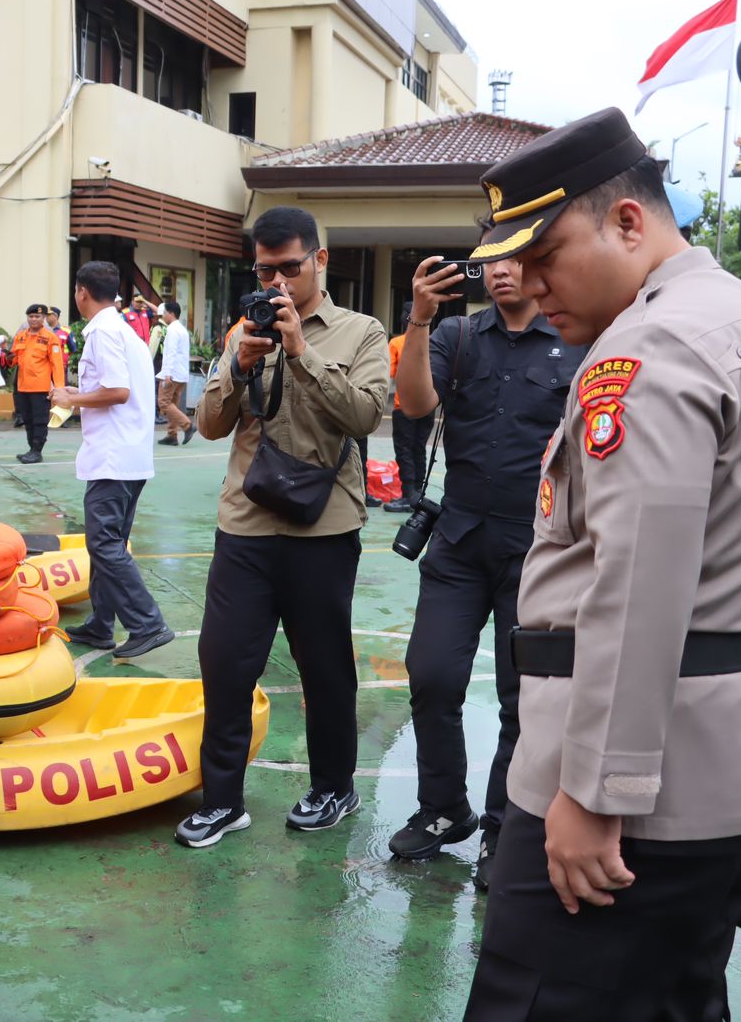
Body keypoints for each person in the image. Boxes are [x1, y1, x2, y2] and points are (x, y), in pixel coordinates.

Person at [460, 108, 741, 1020]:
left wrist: (594, 791)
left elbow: (638, 581)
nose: (532, 290)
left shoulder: (651, 346)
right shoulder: (726, 312)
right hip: (722, 759)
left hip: (638, 795)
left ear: (627, 222)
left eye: (549, 256)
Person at [178, 206, 386, 849]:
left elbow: (366, 416)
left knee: (324, 667)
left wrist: (301, 354)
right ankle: (223, 800)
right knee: (224, 661)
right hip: (245, 521)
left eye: (288, 268)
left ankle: (333, 786)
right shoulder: (247, 327)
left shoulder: (361, 332)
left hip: (322, 527)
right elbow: (210, 424)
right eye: (264, 270)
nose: (275, 283)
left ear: (319, 261)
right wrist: (240, 363)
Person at [386, 232, 585, 888]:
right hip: (460, 540)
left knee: (520, 699)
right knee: (432, 674)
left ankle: (503, 829)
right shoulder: (457, 337)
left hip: (538, 551)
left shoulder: (574, 341)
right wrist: (418, 319)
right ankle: (445, 809)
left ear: (537, 266)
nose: (501, 271)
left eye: (515, 259)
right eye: (491, 260)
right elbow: (415, 405)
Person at [51, 262, 173, 659]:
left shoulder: (103, 332)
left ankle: (147, 623)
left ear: (81, 291)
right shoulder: (124, 331)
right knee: (110, 541)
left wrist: (71, 398)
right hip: (130, 454)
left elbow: (117, 391)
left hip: (113, 456)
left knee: (103, 543)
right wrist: (80, 391)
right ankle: (102, 624)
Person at [381, 311, 435, 513]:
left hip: (402, 405)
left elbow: (391, 372)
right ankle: (419, 493)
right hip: (427, 405)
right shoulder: (432, 342)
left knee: (404, 450)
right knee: (419, 448)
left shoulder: (396, 343)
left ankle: (407, 494)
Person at [12, 304, 65, 464]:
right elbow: (14, 358)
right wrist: (5, 358)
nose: (33, 319)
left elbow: (57, 364)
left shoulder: (50, 338)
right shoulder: (21, 336)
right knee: (27, 419)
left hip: (40, 387)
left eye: (37, 316)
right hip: (23, 386)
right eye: (31, 316)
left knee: (39, 420)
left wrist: (59, 387)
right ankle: (31, 449)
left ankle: (37, 450)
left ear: (43, 318)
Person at [156, 301, 196, 445]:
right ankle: (172, 434)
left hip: (172, 373)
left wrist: (167, 374)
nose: (163, 316)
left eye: (165, 313)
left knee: (164, 402)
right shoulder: (182, 329)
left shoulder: (172, 330)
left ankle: (187, 425)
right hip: (181, 373)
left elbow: (170, 353)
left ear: (170, 313)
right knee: (172, 403)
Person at [47, 306, 74, 375]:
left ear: (55, 316)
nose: (46, 317)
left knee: (60, 385)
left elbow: (73, 349)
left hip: (61, 366)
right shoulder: (43, 330)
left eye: (49, 315)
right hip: (45, 366)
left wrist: (64, 358)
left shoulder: (66, 331)